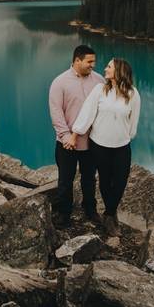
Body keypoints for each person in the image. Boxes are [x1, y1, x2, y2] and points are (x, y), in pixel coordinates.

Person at [69, 57, 140, 236]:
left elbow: (133, 122)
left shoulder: (133, 94)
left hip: (122, 145)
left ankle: (109, 212)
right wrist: (75, 134)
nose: (105, 69)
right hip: (99, 144)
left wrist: (126, 136)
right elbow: (87, 113)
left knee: (121, 181)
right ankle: (110, 218)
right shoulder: (99, 90)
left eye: (109, 67)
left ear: (119, 71)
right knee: (105, 180)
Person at [49, 45, 104, 228]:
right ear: (77, 60)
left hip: (91, 143)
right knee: (65, 179)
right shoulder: (60, 82)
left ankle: (90, 210)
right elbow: (56, 113)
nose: (93, 65)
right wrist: (65, 138)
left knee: (89, 178)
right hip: (67, 144)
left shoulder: (99, 81)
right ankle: (64, 214)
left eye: (93, 61)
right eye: (89, 61)